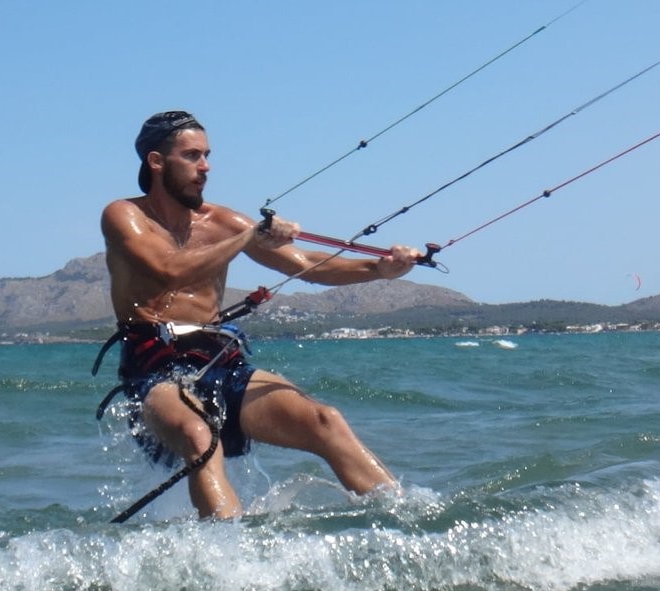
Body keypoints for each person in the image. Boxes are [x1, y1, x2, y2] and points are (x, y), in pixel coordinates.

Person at [99, 110, 421, 519]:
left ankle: (404, 519)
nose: (206, 167)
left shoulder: (224, 221)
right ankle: (230, 556)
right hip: (154, 366)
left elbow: (306, 263)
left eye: (207, 155)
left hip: (218, 357)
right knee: (200, 436)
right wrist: (249, 235)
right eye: (193, 156)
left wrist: (379, 269)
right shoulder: (123, 215)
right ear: (157, 162)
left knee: (324, 420)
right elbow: (168, 270)